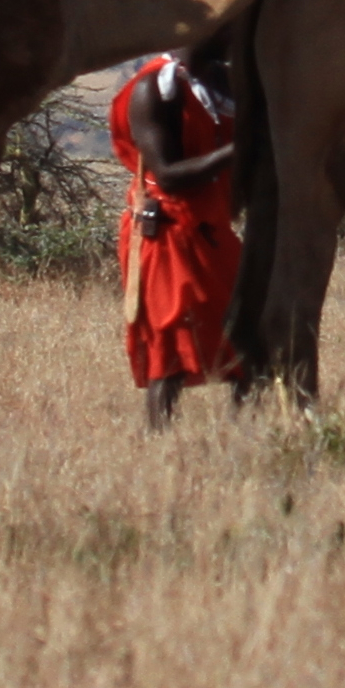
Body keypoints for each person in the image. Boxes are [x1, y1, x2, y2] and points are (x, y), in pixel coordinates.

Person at [111, 35, 247, 422]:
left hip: (213, 226)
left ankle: (247, 438)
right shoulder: (152, 90)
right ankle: (160, 447)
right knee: (171, 347)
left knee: (244, 336)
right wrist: (240, 151)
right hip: (168, 231)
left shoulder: (225, 81)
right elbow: (167, 175)